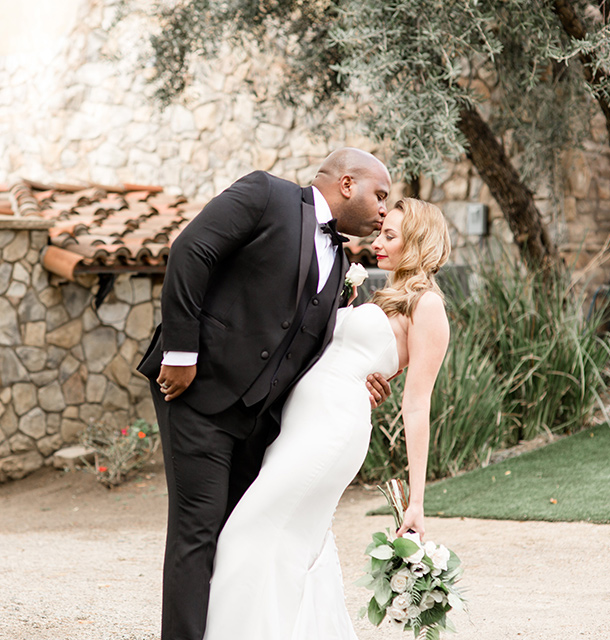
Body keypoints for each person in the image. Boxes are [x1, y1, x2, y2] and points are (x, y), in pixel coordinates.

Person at [137, 148, 394, 640]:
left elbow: (308, 345)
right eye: (379, 195)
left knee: (241, 537)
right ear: (346, 183)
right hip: (198, 394)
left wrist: (358, 376)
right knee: (199, 531)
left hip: (260, 422)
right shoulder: (265, 195)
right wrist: (181, 353)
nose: (384, 209)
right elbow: (192, 251)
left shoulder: (341, 262)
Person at [203, 197, 452, 640]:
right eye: (381, 233)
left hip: (331, 431)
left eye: (390, 236)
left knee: (247, 532)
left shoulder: (427, 306)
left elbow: (417, 404)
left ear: (418, 242)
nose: (378, 242)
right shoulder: (383, 296)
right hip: (299, 427)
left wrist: (416, 501)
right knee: (286, 544)